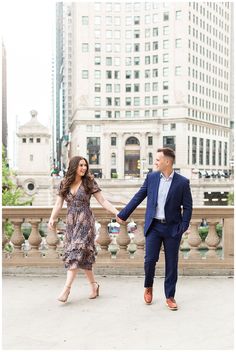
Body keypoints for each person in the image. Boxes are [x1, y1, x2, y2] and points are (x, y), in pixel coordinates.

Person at [116, 147, 192, 310]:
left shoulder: (182, 182)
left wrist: (183, 226)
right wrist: (123, 214)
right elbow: (139, 196)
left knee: (172, 264)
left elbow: (187, 207)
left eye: (158, 160)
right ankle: (148, 286)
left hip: (173, 228)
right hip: (154, 226)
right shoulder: (151, 178)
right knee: (150, 260)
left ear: (167, 162)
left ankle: (170, 296)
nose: (155, 162)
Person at [48, 156, 119, 303]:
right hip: (71, 222)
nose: (84, 168)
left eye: (85, 165)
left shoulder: (89, 182)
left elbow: (103, 201)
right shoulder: (64, 183)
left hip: (85, 221)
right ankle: (94, 285)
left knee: (76, 252)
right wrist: (52, 217)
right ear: (74, 166)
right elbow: (58, 203)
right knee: (84, 256)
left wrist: (117, 212)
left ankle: (66, 289)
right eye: (81, 165)